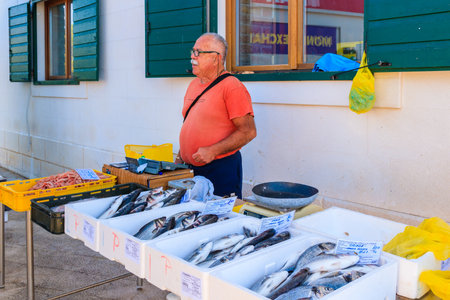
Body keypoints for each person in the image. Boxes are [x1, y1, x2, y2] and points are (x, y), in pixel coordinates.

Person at [176, 33, 256, 199]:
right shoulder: (193, 84)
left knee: (216, 218)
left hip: (219, 169)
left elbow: (248, 132)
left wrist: (213, 150)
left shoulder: (232, 86)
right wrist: (181, 154)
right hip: (190, 168)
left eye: (198, 52)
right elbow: (191, 122)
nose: (192, 56)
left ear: (216, 58)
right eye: (192, 51)